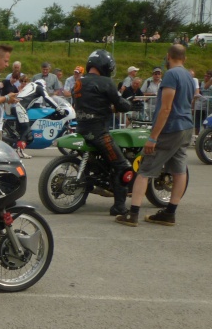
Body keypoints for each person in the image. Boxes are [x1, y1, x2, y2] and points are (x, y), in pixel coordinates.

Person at [116, 45, 194, 227]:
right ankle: (170, 212)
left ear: (168, 57)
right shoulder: (189, 77)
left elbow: (166, 108)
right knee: (179, 170)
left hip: (170, 128)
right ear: (185, 58)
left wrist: (153, 137)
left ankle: (133, 214)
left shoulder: (172, 75)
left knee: (144, 169)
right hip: (186, 126)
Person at [73, 49, 132, 216]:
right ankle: (119, 207)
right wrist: (129, 105)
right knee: (122, 166)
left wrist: (107, 108)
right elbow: (120, 103)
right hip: (98, 132)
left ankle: (82, 195)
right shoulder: (105, 82)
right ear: (105, 66)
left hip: (81, 129)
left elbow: (91, 103)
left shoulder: (78, 81)